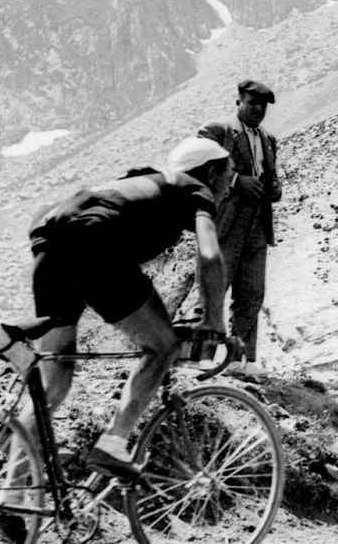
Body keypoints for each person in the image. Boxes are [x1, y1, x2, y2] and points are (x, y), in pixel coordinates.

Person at [21, 137, 232, 482]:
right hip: (93, 240)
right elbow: (210, 256)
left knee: (53, 385)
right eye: (229, 176)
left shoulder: (145, 181)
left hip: (49, 240)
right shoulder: (196, 190)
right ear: (211, 171)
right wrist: (214, 321)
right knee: (163, 347)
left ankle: (8, 499)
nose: (229, 187)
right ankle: (114, 443)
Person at [192, 79, 282, 372]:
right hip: (226, 223)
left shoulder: (268, 139)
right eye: (252, 102)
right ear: (238, 102)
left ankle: (240, 360)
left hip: (257, 225)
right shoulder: (217, 131)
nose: (258, 109)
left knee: (252, 292)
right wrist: (234, 180)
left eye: (263, 105)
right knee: (214, 286)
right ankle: (198, 355)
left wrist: (274, 187)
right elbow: (197, 168)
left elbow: (271, 175)